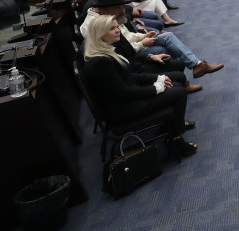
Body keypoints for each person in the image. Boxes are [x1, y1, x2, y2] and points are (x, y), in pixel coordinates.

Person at [81, 14, 198, 158]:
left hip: (125, 100)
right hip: (123, 110)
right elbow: (124, 93)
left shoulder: (105, 50)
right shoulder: (100, 62)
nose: (117, 30)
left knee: (175, 85)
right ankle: (177, 141)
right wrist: (156, 88)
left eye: (117, 27)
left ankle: (173, 129)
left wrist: (158, 78)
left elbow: (128, 76)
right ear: (100, 33)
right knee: (179, 92)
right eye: (112, 29)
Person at [82, 0, 224, 82]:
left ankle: (196, 65)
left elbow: (126, 36)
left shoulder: (108, 17)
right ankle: (181, 80)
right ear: (105, 9)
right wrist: (142, 43)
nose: (122, 11)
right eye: (118, 8)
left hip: (135, 46)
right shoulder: (93, 25)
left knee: (167, 36)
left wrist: (143, 36)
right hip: (130, 59)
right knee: (166, 50)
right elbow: (120, 52)